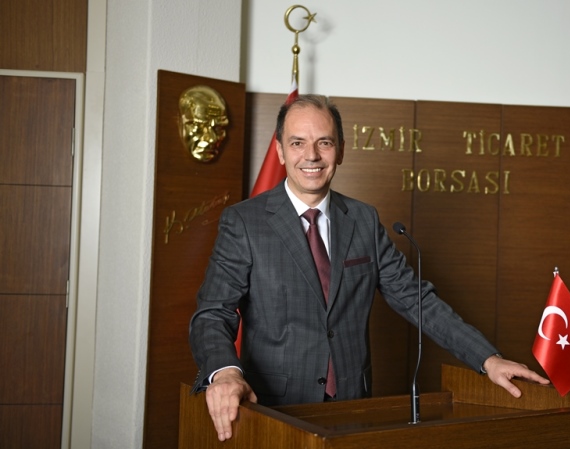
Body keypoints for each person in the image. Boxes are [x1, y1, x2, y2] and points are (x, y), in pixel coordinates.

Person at [189, 94, 550, 441]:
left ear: (341, 150)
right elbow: (212, 313)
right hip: (274, 409)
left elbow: (415, 299)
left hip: (353, 408)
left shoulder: (363, 220)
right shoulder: (244, 222)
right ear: (281, 151)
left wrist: (487, 359)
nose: (311, 155)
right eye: (297, 143)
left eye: (324, 142)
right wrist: (226, 373)